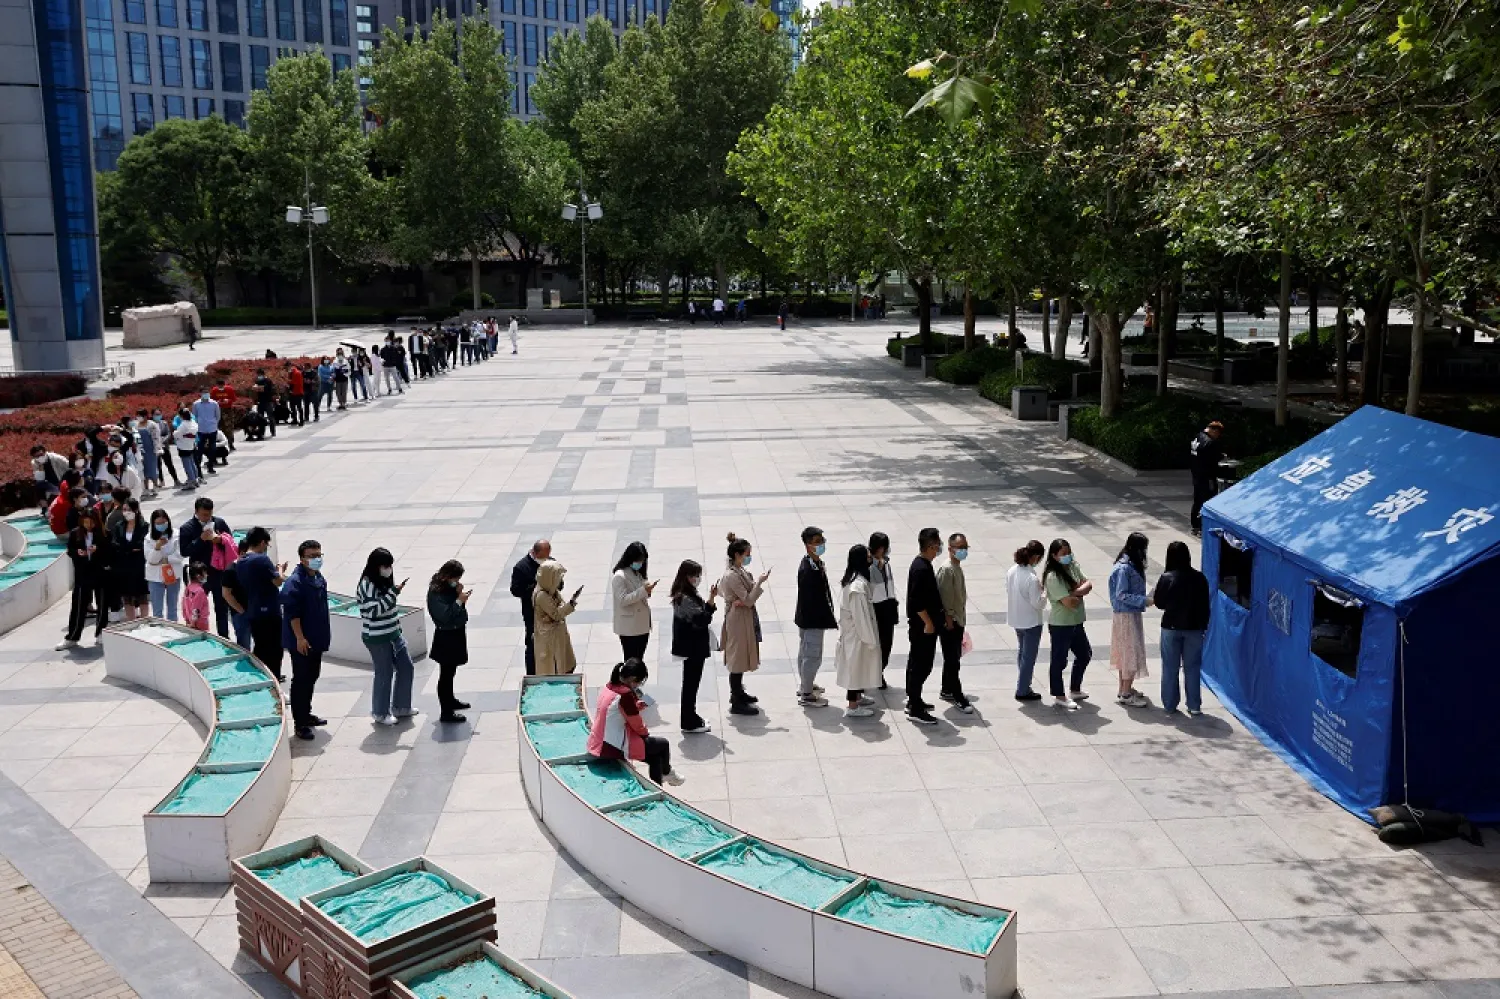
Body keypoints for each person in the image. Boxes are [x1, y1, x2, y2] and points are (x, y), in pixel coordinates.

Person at [586, 658, 684, 786]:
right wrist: (645, 735)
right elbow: (636, 723)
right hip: (611, 745)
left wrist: (636, 705)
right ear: (632, 679)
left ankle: (660, 782)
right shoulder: (625, 694)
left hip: (597, 740)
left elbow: (616, 709)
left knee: (655, 757)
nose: (637, 686)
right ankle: (667, 773)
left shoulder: (609, 686)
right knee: (663, 744)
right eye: (638, 682)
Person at [358, 548, 416, 725]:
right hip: (377, 636)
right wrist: (393, 594)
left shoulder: (384, 581)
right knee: (384, 673)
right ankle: (380, 712)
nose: (388, 569)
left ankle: (401, 706)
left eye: (390, 565)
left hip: (393, 633)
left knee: (406, 667)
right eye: (385, 565)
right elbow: (372, 611)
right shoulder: (367, 585)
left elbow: (389, 608)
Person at [281, 540, 331, 740]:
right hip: (302, 641)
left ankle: (306, 714)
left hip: (316, 638)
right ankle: (300, 723)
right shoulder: (295, 582)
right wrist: (300, 638)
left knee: (312, 676)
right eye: (311, 556)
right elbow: (293, 614)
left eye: (318, 555)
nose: (316, 559)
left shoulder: (317, 577)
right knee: (301, 680)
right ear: (302, 559)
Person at [1154, 541, 1210, 716]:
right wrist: (1204, 626)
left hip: (1170, 627)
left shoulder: (1167, 577)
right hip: (1194, 628)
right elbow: (1205, 605)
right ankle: (1194, 705)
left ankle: (1170, 704)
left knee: (1170, 667)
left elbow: (1159, 603)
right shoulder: (1199, 578)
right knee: (1192, 667)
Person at [718, 533, 769, 716]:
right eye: (747, 553)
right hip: (738, 619)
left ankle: (739, 692)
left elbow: (747, 596)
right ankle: (736, 700)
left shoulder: (740, 570)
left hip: (745, 617)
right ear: (738, 555)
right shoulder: (732, 575)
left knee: (742, 655)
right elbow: (748, 600)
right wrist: (760, 583)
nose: (749, 557)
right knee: (737, 659)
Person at [1043, 538, 1093, 710]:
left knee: (1084, 654)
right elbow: (1069, 603)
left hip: (1076, 622)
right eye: (1063, 554)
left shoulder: (1073, 567)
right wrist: (1078, 592)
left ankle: (1075, 688)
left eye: (1068, 552)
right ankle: (1059, 695)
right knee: (1059, 660)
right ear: (1054, 556)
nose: (1067, 556)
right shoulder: (1053, 576)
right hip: (1061, 625)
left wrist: (1074, 592)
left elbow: (1088, 584)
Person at [834, 545, 882, 719]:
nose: (871, 559)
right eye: (868, 557)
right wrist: (870, 640)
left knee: (858, 667)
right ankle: (853, 705)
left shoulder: (856, 581)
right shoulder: (857, 588)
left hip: (855, 635)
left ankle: (858, 698)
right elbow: (861, 618)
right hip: (857, 636)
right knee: (854, 669)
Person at [669, 559, 716, 734]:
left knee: (691, 683)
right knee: (690, 684)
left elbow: (702, 613)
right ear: (687, 576)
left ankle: (691, 716)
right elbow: (702, 619)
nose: (698, 578)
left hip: (694, 646)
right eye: (695, 575)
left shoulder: (687, 593)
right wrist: (710, 605)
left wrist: (710, 600)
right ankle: (689, 721)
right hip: (692, 648)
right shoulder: (685, 598)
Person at [904, 528, 945, 726]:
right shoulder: (921, 568)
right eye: (938, 545)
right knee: (921, 665)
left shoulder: (923, 564)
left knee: (916, 664)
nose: (939, 549)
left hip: (925, 626)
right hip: (923, 628)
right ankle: (915, 708)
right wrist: (928, 622)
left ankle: (914, 700)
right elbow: (916, 601)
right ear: (930, 546)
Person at [793, 526, 837, 707]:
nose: (821, 545)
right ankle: (807, 694)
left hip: (809, 618)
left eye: (822, 541)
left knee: (805, 652)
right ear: (807, 545)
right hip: (812, 620)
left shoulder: (815, 563)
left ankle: (806, 684)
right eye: (817, 542)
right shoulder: (808, 570)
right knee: (812, 655)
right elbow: (811, 599)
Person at [1108, 532, 1153, 707]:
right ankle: (1126, 693)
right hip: (1126, 615)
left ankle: (1124, 689)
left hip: (1129, 614)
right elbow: (1121, 594)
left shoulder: (1128, 565)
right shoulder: (1124, 568)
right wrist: (1144, 600)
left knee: (1125, 654)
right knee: (1130, 654)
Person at [179, 497, 234, 637]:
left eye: (209, 514)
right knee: (196, 607)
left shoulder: (219, 523)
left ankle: (224, 636)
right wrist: (200, 540)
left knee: (221, 607)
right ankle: (197, 634)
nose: (207, 517)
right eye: (204, 514)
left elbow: (230, 542)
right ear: (196, 511)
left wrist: (219, 540)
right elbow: (184, 551)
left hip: (218, 572)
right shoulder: (187, 528)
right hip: (199, 574)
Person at [427, 560, 474, 723]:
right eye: (455, 578)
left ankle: (451, 700)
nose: (457, 582)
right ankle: (446, 711)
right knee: (445, 675)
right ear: (447, 576)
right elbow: (445, 615)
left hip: (456, 633)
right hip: (446, 637)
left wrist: (458, 595)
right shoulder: (435, 593)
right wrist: (459, 600)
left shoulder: (449, 588)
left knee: (451, 672)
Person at [57, 508, 110, 649]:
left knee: (102, 605)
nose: (88, 525)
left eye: (91, 522)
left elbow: (109, 552)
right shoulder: (75, 533)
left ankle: (101, 633)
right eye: (85, 522)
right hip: (83, 574)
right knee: (78, 606)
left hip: (100, 573)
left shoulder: (104, 533)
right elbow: (70, 551)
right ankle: (72, 637)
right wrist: (77, 552)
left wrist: (97, 550)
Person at [238, 527, 286, 681]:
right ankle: (274, 681)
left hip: (253, 610)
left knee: (260, 648)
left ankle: (261, 679)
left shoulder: (241, 561)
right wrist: (280, 571)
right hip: (269, 612)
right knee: (275, 650)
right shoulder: (261, 560)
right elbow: (277, 581)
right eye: (267, 545)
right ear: (262, 542)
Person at [934, 532, 973, 713]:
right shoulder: (947, 569)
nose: (963, 551)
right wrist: (950, 621)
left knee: (953, 657)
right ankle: (958, 696)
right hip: (951, 622)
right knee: (952, 660)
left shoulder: (956, 567)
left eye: (965, 547)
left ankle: (947, 689)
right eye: (960, 548)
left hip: (958, 620)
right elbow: (944, 600)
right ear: (950, 549)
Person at [1006, 541, 1047, 701]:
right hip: (1031, 622)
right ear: (1036, 557)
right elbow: (1038, 603)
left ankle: (1024, 684)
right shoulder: (1031, 578)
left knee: (1022, 653)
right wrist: (1044, 593)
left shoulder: (1012, 571)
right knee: (1028, 657)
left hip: (1017, 619)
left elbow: (1007, 589)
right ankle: (1023, 689)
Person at [533, 559, 581, 677]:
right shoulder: (542, 596)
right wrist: (570, 604)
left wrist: (564, 607)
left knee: (566, 662)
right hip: (550, 638)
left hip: (558, 634)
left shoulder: (551, 591)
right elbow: (556, 614)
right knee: (554, 667)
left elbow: (560, 605)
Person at [610, 542, 656, 663]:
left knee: (639, 660)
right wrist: (643, 591)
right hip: (630, 628)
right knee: (631, 661)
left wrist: (647, 591)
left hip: (642, 625)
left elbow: (640, 594)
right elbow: (623, 600)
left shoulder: (638, 573)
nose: (640, 563)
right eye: (639, 560)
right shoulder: (620, 576)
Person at [510, 539, 549, 675]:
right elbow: (515, 590)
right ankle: (532, 674)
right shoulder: (521, 567)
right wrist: (535, 588)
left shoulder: (550, 562)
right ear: (535, 552)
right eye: (544, 556)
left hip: (549, 610)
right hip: (532, 612)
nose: (547, 559)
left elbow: (560, 582)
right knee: (533, 644)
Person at [867, 532, 899, 690]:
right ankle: (872, 675)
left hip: (888, 606)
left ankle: (879, 671)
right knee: (875, 645)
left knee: (887, 644)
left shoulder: (885, 563)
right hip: (875, 609)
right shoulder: (868, 565)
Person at [110, 498, 149, 621]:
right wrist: (129, 549)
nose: (126, 512)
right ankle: (131, 621)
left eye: (129, 510)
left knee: (142, 595)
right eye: (124, 509)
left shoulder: (144, 526)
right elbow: (115, 544)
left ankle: (144, 620)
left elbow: (142, 544)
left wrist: (126, 547)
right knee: (127, 597)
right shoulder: (119, 526)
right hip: (124, 566)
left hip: (139, 566)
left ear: (136, 510)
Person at [145, 509, 183, 620]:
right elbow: (151, 560)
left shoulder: (176, 534)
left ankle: (173, 631)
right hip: (155, 577)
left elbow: (179, 555)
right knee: (157, 611)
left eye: (163, 522)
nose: (161, 525)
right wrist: (157, 547)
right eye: (158, 524)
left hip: (173, 574)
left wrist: (165, 559)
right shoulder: (148, 538)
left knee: (172, 608)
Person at [1189, 421, 1225, 534]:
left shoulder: (1197, 437)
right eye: (1218, 434)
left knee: (1197, 500)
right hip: (1207, 476)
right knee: (1206, 500)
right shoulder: (1210, 443)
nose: (1217, 437)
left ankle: (1195, 524)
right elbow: (1213, 459)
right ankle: (1202, 525)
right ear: (1214, 430)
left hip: (1196, 474)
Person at [222, 537, 252, 648]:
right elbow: (226, 594)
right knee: (244, 645)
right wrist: (242, 611)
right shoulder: (231, 570)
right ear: (243, 552)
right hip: (240, 614)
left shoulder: (253, 567)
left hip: (255, 611)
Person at [30, 444, 68, 513]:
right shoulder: (35, 463)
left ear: (45, 452)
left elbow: (69, 466)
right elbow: (40, 479)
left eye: (41, 454)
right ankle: (44, 508)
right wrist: (40, 468)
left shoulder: (56, 458)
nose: (40, 457)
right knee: (39, 485)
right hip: (51, 485)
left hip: (63, 483)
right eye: (37, 456)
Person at [191, 389, 221, 475]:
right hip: (201, 430)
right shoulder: (196, 404)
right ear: (200, 394)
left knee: (212, 448)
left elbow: (218, 416)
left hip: (212, 429)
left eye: (207, 393)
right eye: (204, 393)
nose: (206, 395)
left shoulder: (214, 403)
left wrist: (214, 424)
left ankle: (210, 466)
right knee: (199, 449)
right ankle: (198, 468)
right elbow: (194, 416)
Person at [173, 409, 200, 489]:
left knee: (187, 464)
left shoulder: (183, 424)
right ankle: (195, 479)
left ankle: (191, 481)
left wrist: (175, 433)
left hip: (183, 446)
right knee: (192, 463)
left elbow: (177, 434)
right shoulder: (193, 422)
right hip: (191, 444)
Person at [183, 562, 211, 631]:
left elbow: (184, 606)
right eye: (205, 573)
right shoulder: (199, 591)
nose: (207, 575)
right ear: (198, 576)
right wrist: (193, 624)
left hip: (190, 622)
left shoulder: (188, 588)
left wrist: (187, 620)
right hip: (199, 625)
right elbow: (196, 609)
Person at [253, 369, 278, 437]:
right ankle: (261, 432)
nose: (258, 376)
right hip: (260, 402)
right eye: (258, 375)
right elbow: (255, 388)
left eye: (259, 374)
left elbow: (265, 389)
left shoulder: (268, 381)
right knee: (260, 417)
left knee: (270, 417)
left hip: (268, 401)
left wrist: (259, 388)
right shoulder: (258, 381)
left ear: (262, 374)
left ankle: (273, 431)